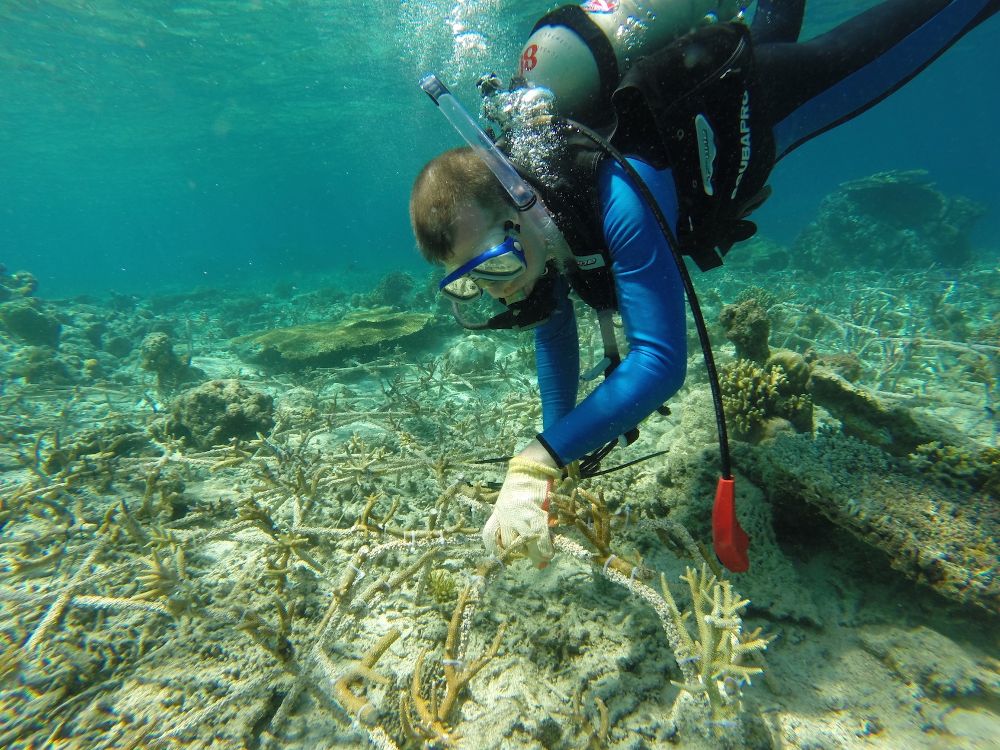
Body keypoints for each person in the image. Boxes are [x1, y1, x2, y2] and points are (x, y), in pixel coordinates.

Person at [409, 0, 998, 569]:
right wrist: (562, 457)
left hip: (758, 108)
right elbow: (553, 326)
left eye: (495, 265)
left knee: (907, 36)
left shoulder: (617, 188)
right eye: (470, 284)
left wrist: (535, 463)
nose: (500, 291)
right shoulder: (540, 220)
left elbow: (661, 362)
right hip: (708, 100)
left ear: (519, 204)